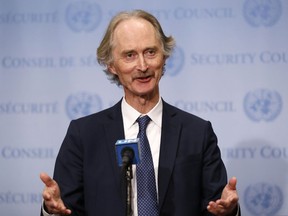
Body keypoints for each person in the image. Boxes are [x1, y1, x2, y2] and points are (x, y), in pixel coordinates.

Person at [40, 9, 240, 216]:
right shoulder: (84, 134)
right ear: (111, 65)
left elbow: (216, 207)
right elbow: (65, 208)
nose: (142, 65)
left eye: (150, 52)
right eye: (130, 55)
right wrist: (50, 210)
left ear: (163, 57)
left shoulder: (197, 133)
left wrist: (229, 211)